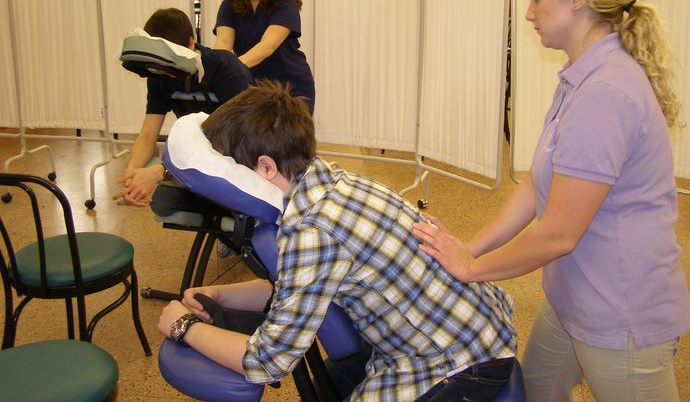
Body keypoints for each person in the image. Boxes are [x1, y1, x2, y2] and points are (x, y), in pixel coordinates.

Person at [413, 0, 690, 402]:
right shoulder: (579, 77)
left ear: (577, 0)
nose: (528, 13)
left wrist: (472, 269)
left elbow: (558, 233)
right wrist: (471, 247)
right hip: (574, 297)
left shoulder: (606, 91)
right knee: (539, 387)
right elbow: (534, 188)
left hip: (622, 314)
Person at [158, 81, 517, 401]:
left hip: (458, 362)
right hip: (469, 329)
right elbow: (299, 288)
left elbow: (267, 362)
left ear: (266, 168)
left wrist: (184, 327)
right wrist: (221, 295)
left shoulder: (312, 230)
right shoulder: (328, 180)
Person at [114, 7, 253, 207]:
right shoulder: (159, 74)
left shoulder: (225, 68)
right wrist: (131, 174)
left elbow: (232, 143)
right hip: (200, 154)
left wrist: (161, 171)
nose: (168, 75)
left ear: (190, 43)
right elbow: (148, 134)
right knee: (163, 203)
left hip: (238, 155)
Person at [214, 0, 315, 114]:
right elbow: (223, 43)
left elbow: (268, 46)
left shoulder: (285, 4)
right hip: (250, 87)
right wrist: (218, 66)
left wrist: (231, 68)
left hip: (290, 86)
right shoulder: (229, 5)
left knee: (292, 141)